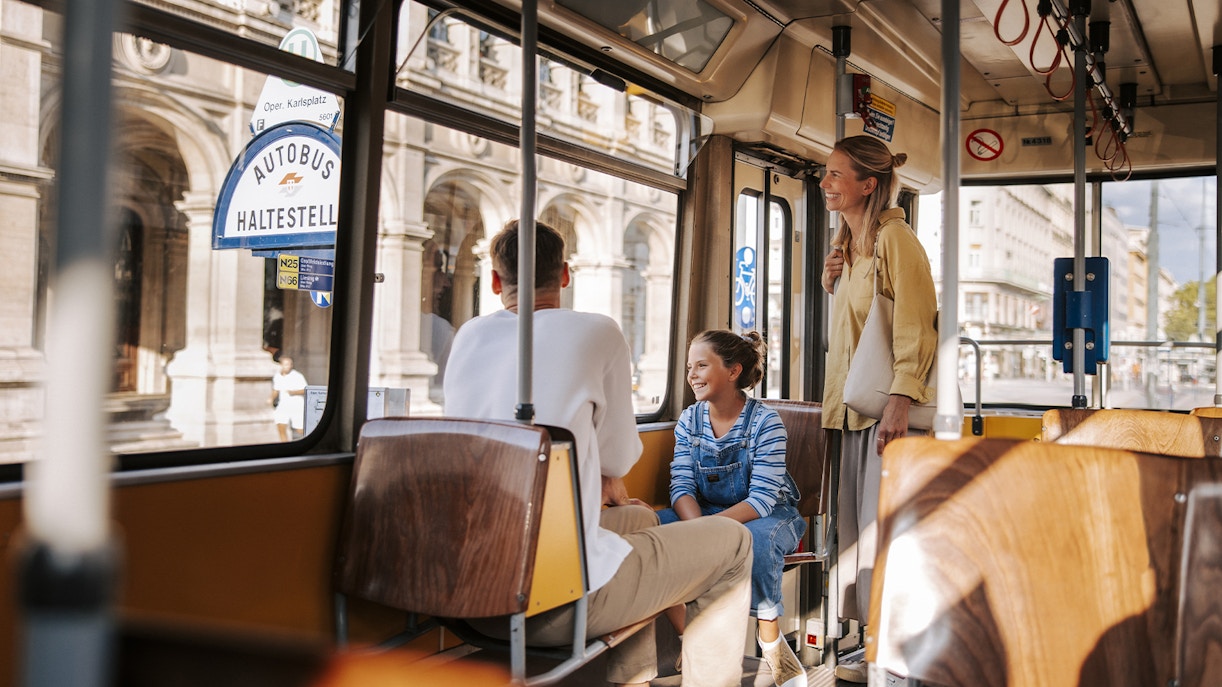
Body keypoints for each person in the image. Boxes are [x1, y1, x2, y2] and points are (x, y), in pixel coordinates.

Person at [444, 219, 753, 687]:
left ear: (493, 281)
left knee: (643, 519)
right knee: (735, 543)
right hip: (550, 602)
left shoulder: (467, 336)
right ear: (566, 275)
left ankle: (632, 680)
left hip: (464, 588)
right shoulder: (598, 332)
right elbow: (618, 459)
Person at [819, 136, 938, 683]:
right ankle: (872, 644)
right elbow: (858, 333)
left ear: (867, 184)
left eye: (835, 175)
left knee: (886, 536)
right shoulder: (853, 246)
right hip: (851, 412)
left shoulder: (896, 240)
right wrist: (833, 284)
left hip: (883, 414)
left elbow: (915, 325)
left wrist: (900, 399)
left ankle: (895, 655)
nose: (825, 183)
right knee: (860, 537)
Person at [658, 330, 807, 687]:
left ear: (733, 371)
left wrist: (708, 531)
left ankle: (769, 638)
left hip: (770, 515)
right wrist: (696, 526)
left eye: (702, 365)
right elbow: (681, 486)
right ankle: (691, 637)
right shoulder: (689, 420)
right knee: (657, 535)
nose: (692, 374)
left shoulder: (765, 422)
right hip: (706, 511)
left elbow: (761, 500)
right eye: (689, 367)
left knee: (753, 541)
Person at [269, 355, 308, 442]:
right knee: (280, 424)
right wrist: (270, 399)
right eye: (285, 364)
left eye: (289, 364)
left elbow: (305, 390)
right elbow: (276, 389)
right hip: (283, 404)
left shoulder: (297, 376)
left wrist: (294, 392)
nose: (287, 366)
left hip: (296, 404)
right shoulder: (277, 376)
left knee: (300, 429)